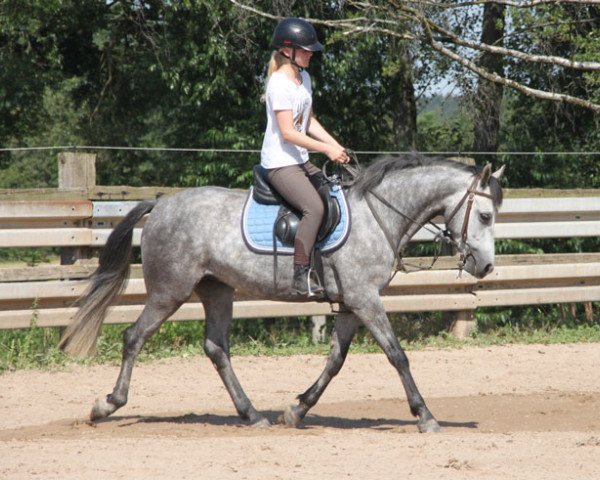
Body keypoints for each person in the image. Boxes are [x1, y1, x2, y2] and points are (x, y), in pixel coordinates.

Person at [260, 17, 349, 297]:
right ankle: (300, 275)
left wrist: (337, 146)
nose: (311, 53)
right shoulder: (278, 84)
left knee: (337, 195)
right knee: (315, 207)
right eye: (306, 49)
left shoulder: (303, 78)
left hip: (299, 159)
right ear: (288, 51)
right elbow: (288, 132)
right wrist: (324, 150)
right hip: (280, 163)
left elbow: (308, 122)